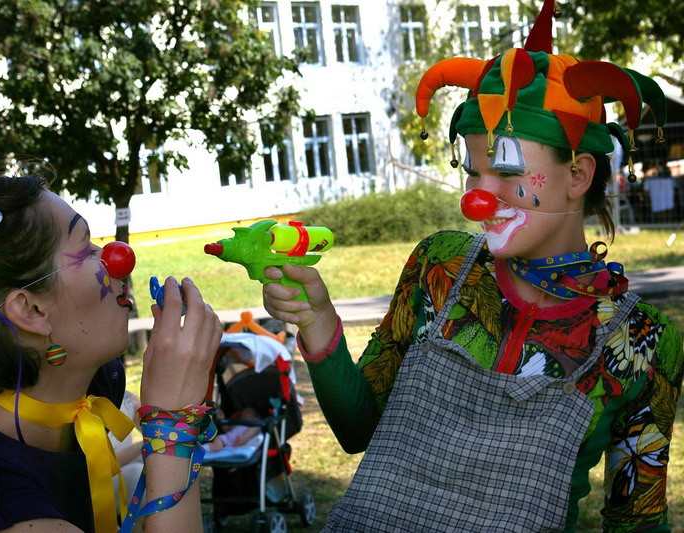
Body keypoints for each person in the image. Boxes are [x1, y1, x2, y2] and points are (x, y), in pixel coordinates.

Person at [261, 1, 683, 531]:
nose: (477, 200)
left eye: (505, 173)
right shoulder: (438, 267)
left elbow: (636, 523)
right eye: (471, 172)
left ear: (577, 175)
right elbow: (357, 430)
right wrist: (319, 324)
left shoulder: (645, 343)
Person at [0, 175, 223, 532]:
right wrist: (173, 427)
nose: (118, 258)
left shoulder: (92, 381)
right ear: (31, 310)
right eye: (87, 248)